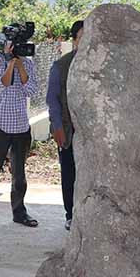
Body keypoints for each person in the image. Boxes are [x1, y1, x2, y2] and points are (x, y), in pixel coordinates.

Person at [0, 37, 40, 233]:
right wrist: (10, 63)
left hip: (21, 127)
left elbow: (31, 90)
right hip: (0, 126)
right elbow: (1, 84)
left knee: (19, 176)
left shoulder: (28, 62)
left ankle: (19, 213)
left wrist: (20, 66)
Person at [46, 20, 84, 231]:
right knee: (69, 173)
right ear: (74, 40)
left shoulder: (99, 64)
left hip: (90, 134)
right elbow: (52, 99)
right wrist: (58, 127)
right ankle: (71, 214)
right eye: (82, 37)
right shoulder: (61, 66)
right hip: (68, 131)